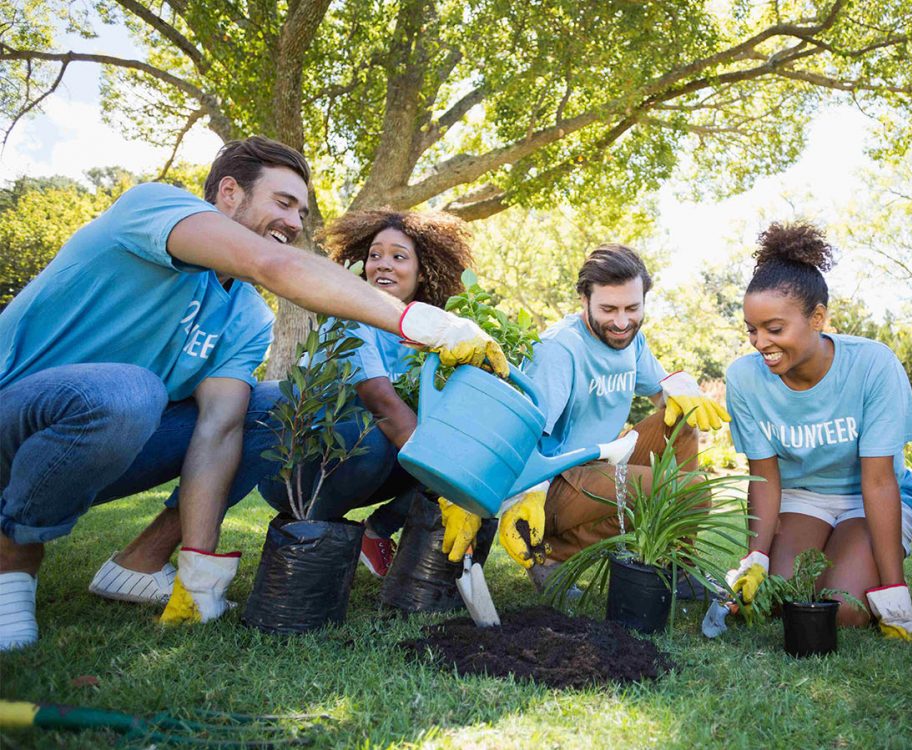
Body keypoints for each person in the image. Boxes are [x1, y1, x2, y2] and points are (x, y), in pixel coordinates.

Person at [0, 137, 507, 651]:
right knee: (132, 390)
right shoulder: (153, 208)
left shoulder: (245, 316)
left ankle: (141, 562)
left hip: (102, 440)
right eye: (283, 203)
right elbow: (272, 265)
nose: (293, 222)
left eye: (301, 212)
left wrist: (200, 568)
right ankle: (12, 557)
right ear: (227, 193)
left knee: (266, 407)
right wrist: (419, 322)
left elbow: (219, 433)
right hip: (16, 419)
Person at [448, 242, 731, 592]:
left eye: (632, 307)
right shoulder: (560, 349)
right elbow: (524, 434)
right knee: (689, 492)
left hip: (600, 464)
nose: (622, 321)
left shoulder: (630, 340)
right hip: (550, 484)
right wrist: (517, 497)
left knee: (682, 421)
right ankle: (549, 554)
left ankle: (672, 564)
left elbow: (663, 394)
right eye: (609, 309)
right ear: (584, 299)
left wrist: (683, 389)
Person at [722, 221, 912, 640]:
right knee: (781, 597)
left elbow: (880, 481)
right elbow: (765, 476)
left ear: (818, 317)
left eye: (774, 329)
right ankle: (813, 561)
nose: (760, 343)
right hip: (801, 497)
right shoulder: (744, 378)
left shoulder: (873, 366)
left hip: (868, 499)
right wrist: (756, 557)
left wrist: (894, 596)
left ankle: (860, 568)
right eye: (752, 330)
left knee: (843, 609)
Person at [256, 208, 476, 579]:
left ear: (422, 272)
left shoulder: (426, 332)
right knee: (381, 436)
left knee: (450, 443)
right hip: (299, 469)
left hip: (368, 463)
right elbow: (383, 404)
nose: (382, 265)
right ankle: (315, 532)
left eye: (398, 257)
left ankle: (374, 533)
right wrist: (448, 485)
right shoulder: (349, 316)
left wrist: (466, 477)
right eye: (374, 255)